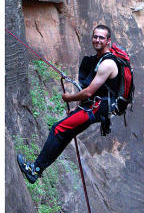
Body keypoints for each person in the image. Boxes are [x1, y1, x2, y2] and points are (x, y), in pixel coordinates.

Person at [17, 24, 120, 184]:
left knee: (58, 129)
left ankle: (35, 170)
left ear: (108, 41)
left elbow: (88, 92)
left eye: (101, 37)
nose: (97, 40)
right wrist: (77, 107)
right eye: (95, 36)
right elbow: (92, 92)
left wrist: (69, 98)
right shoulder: (99, 60)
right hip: (94, 107)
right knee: (64, 133)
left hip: (96, 109)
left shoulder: (107, 63)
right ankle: (36, 170)